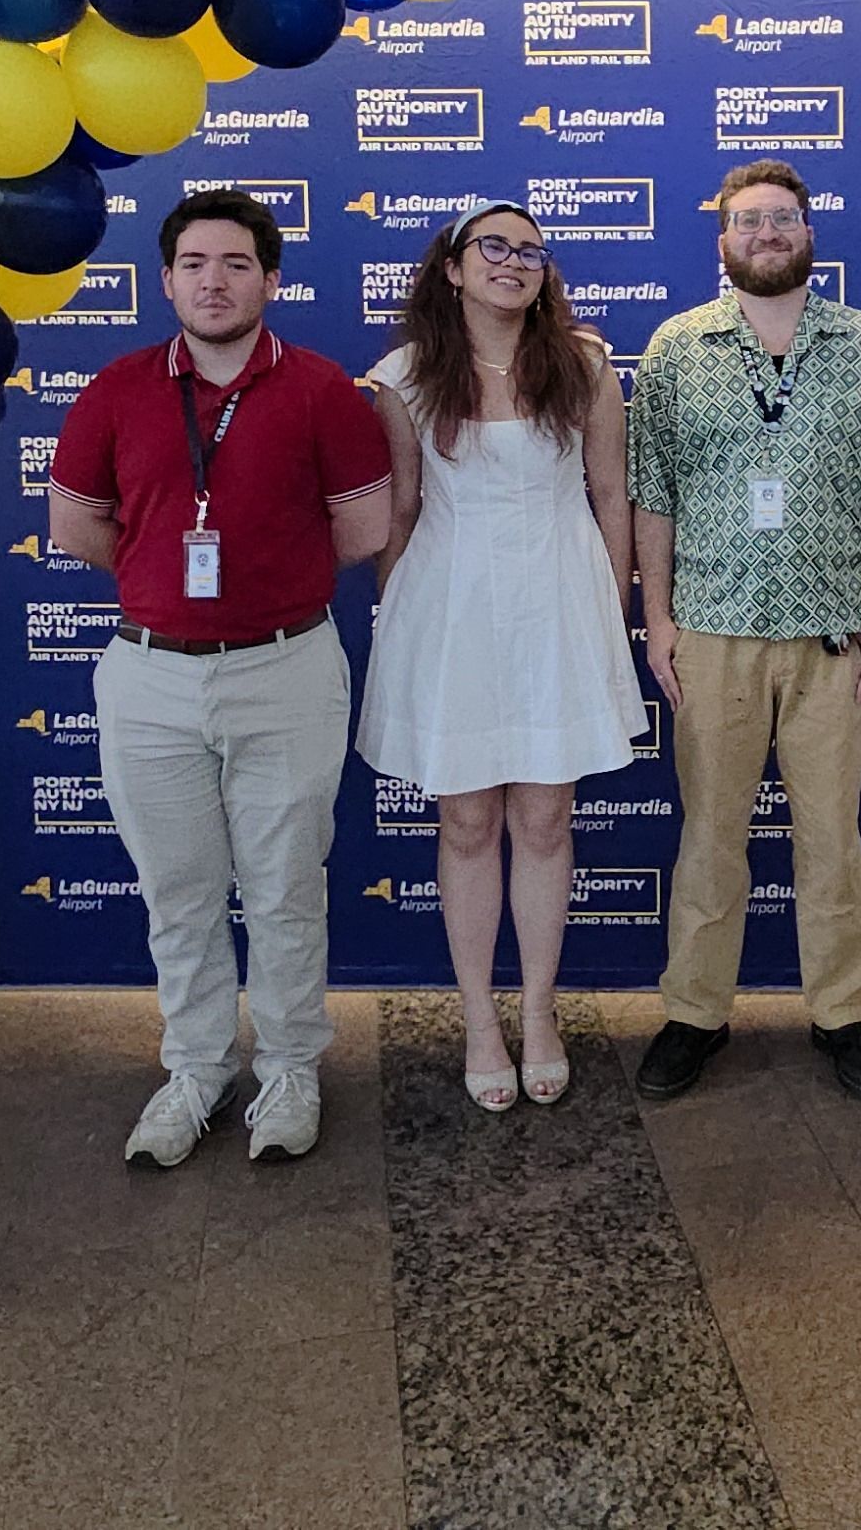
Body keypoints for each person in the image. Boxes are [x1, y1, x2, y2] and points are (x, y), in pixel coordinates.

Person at [47, 189, 393, 1167]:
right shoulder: (116, 388)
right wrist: (168, 578)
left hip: (285, 668)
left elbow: (363, 529)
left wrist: (254, 583)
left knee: (285, 884)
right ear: (166, 279)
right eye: (194, 262)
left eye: (236, 262)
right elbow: (76, 525)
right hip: (150, 677)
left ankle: (289, 1062)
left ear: (270, 279)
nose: (214, 279)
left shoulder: (323, 389)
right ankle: (194, 1067)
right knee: (181, 887)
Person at [627, 160, 861, 1104]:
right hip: (712, 633)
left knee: (832, 839)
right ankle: (694, 1013)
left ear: (808, 234)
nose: (767, 233)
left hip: (836, 641)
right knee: (711, 838)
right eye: (748, 221)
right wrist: (656, 620)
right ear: (721, 242)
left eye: (783, 219)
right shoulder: (679, 348)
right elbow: (653, 497)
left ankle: (842, 1014)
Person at [357, 202, 638, 1111]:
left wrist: (617, 613)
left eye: (530, 250)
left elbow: (610, 499)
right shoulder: (402, 377)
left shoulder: (587, 366)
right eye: (494, 247)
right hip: (451, 607)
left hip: (558, 601)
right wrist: (398, 623)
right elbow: (399, 512)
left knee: (547, 822)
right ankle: (481, 1018)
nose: (514, 262)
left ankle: (543, 1012)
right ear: (452, 268)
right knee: (468, 823)